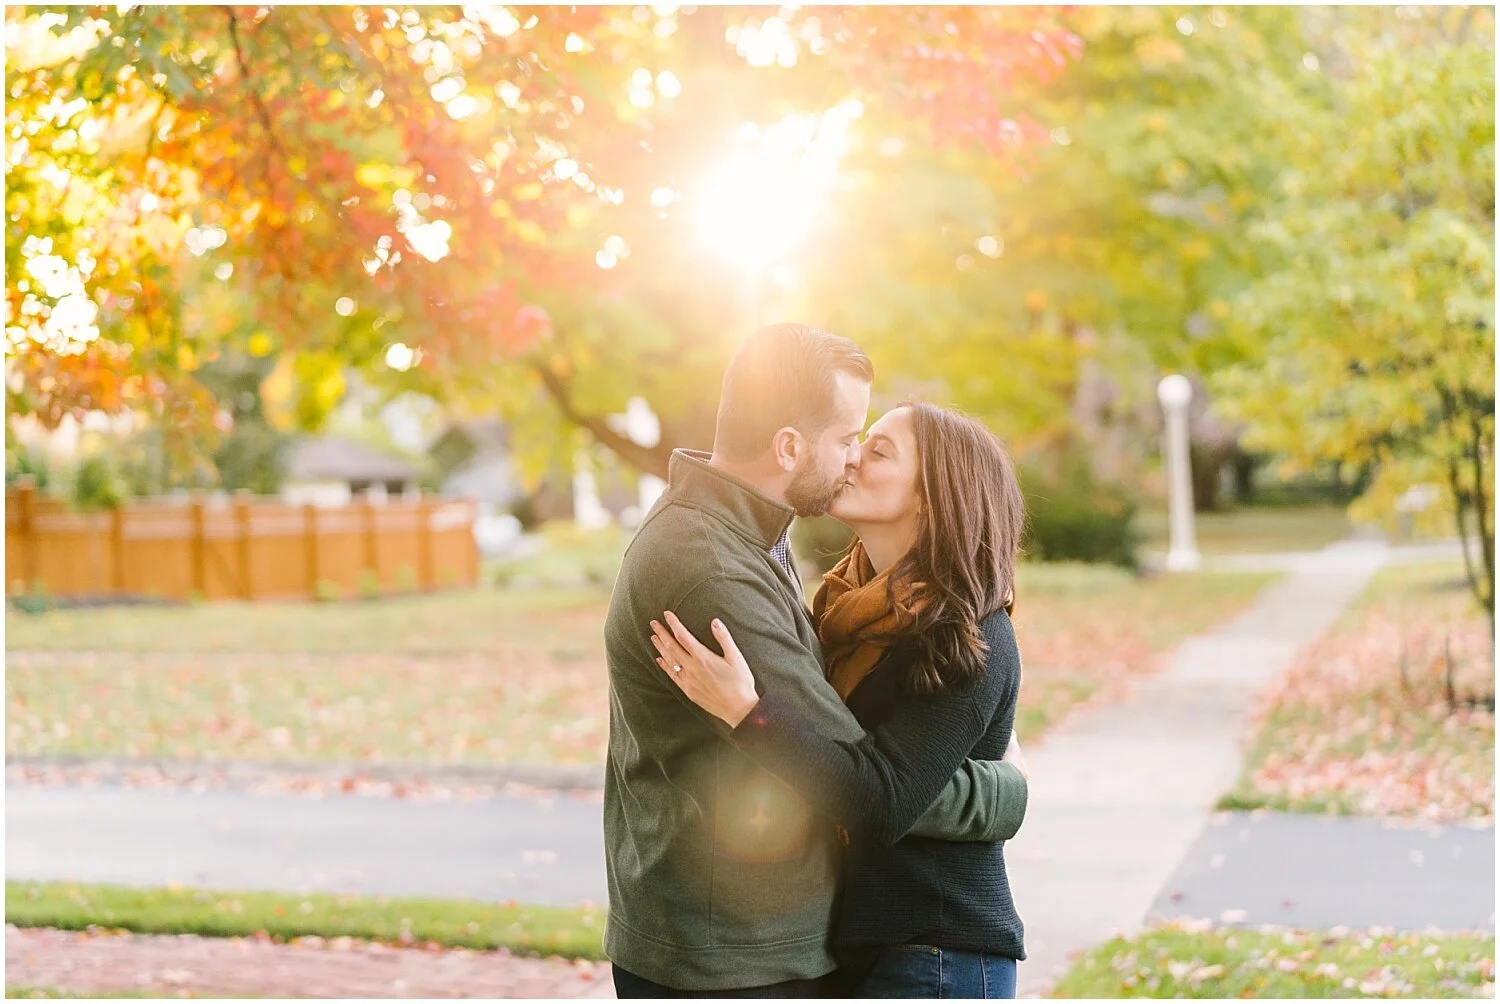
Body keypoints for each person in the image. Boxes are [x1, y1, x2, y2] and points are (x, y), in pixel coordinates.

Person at [602, 325, 1029, 997]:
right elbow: (862, 772)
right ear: (789, 447)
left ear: (930, 496)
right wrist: (995, 796)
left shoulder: (960, 632)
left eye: (872, 446)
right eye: (847, 439)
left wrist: (751, 713)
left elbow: (871, 779)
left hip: (931, 947)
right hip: (739, 948)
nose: (852, 457)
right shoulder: (737, 574)